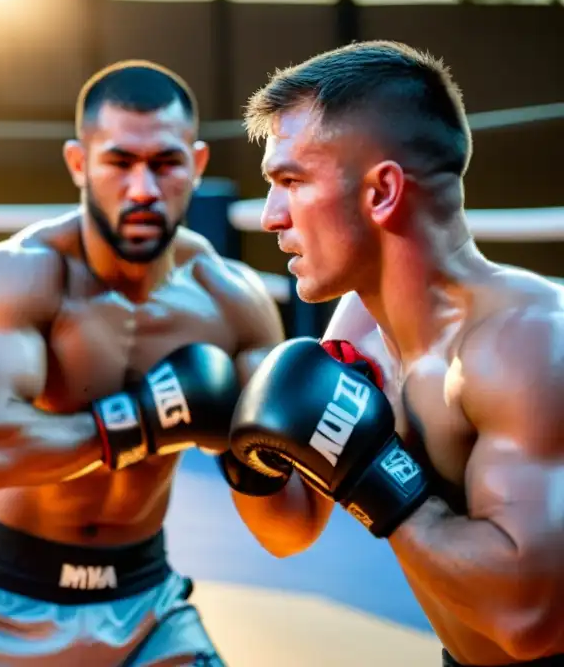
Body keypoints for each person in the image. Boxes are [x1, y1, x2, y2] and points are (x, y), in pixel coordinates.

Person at [0, 60, 286, 666]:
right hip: (2, 602)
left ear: (195, 166)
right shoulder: (23, 273)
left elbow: (283, 529)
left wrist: (278, 460)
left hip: (147, 605)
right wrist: (147, 418)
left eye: (165, 163)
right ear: (78, 163)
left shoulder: (234, 303)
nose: (142, 189)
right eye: (119, 162)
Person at [226, 40, 564, 666]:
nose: (272, 216)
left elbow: (531, 620)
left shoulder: (526, 345)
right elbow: (289, 530)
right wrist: (246, 459)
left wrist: (373, 475)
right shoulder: (357, 321)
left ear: (382, 191)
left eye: (291, 181)